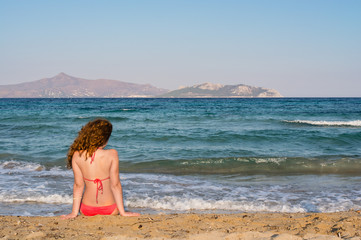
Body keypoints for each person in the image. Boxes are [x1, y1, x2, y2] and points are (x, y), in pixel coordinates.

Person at [61, 118, 140, 219]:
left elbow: (78, 186)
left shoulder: (77, 155)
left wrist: (73, 213)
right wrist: (123, 212)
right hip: (110, 209)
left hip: (86, 210)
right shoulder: (112, 154)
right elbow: (115, 185)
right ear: (104, 139)